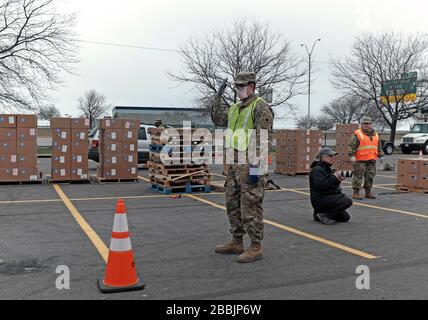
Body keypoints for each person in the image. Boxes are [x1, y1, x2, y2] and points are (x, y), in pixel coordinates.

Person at [211, 72, 274, 263]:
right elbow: (218, 120)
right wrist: (218, 97)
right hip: (234, 163)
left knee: (251, 204)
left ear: (251, 86)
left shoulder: (260, 107)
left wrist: (256, 168)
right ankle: (237, 241)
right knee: (232, 203)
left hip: (251, 164)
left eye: (241, 86)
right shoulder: (235, 108)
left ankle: (256, 246)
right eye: (236, 87)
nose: (238, 90)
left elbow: (264, 139)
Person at [309, 148, 353, 225]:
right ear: (323, 157)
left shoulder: (327, 169)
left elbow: (330, 186)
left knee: (345, 217)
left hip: (326, 198)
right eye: (330, 156)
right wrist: (334, 177)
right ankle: (325, 216)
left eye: (332, 156)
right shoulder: (317, 170)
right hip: (319, 199)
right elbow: (321, 186)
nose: (332, 159)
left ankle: (318, 213)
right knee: (347, 201)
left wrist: (337, 181)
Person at [349, 117, 384, 200]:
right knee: (358, 176)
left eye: (368, 123)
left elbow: (378, 146)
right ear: (361, 124)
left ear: (371, 124)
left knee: (370, 176)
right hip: (360, 160)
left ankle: (368, 192)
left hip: (371, 160)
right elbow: (351, 146)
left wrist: (381, 155)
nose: (366, 125)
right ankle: (356, 193)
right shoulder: (358, 134)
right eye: (364, 123)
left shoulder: (375, 135)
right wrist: (352, 155)